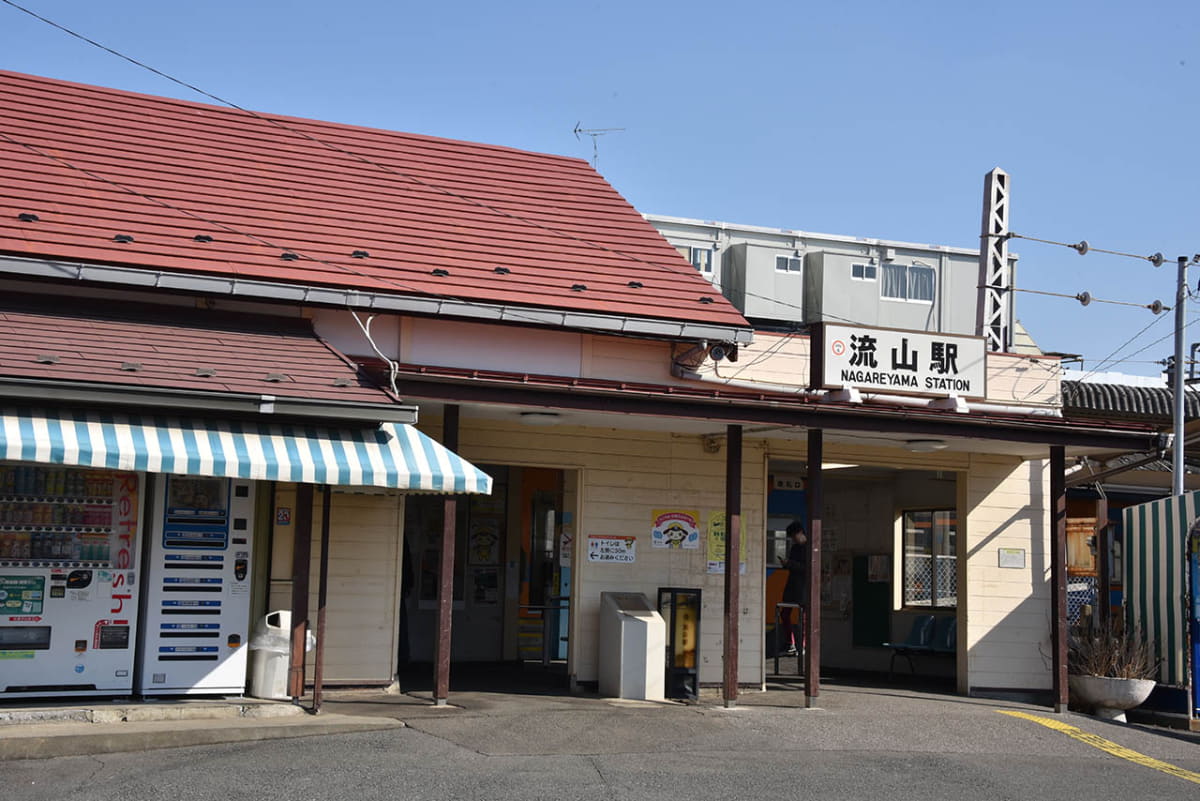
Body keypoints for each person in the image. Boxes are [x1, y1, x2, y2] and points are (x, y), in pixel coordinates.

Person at [777, 520, 808, 656]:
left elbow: (807, 568)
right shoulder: (795, 548)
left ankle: (803, 645)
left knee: (804, 618)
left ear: (800, 532)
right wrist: (786, 564)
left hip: (804, 586)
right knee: (784, 614)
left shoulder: (810, 548)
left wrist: (790, 563)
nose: (793, 539)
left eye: (794, 536)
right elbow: (794, 566)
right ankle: (790, 643)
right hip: (792, 585)